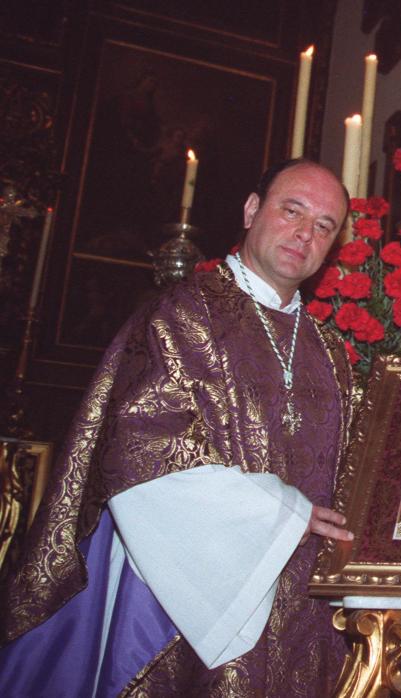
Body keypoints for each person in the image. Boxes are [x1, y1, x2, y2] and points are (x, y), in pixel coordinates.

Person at [0, 159, 356, 696]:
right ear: (252, 210)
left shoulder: (330, 351)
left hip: (308, 604)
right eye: (292, 211)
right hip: (195, 596)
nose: (306, 233)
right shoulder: (182, 313)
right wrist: (284, 512)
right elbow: (143, 452)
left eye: (325, 226)